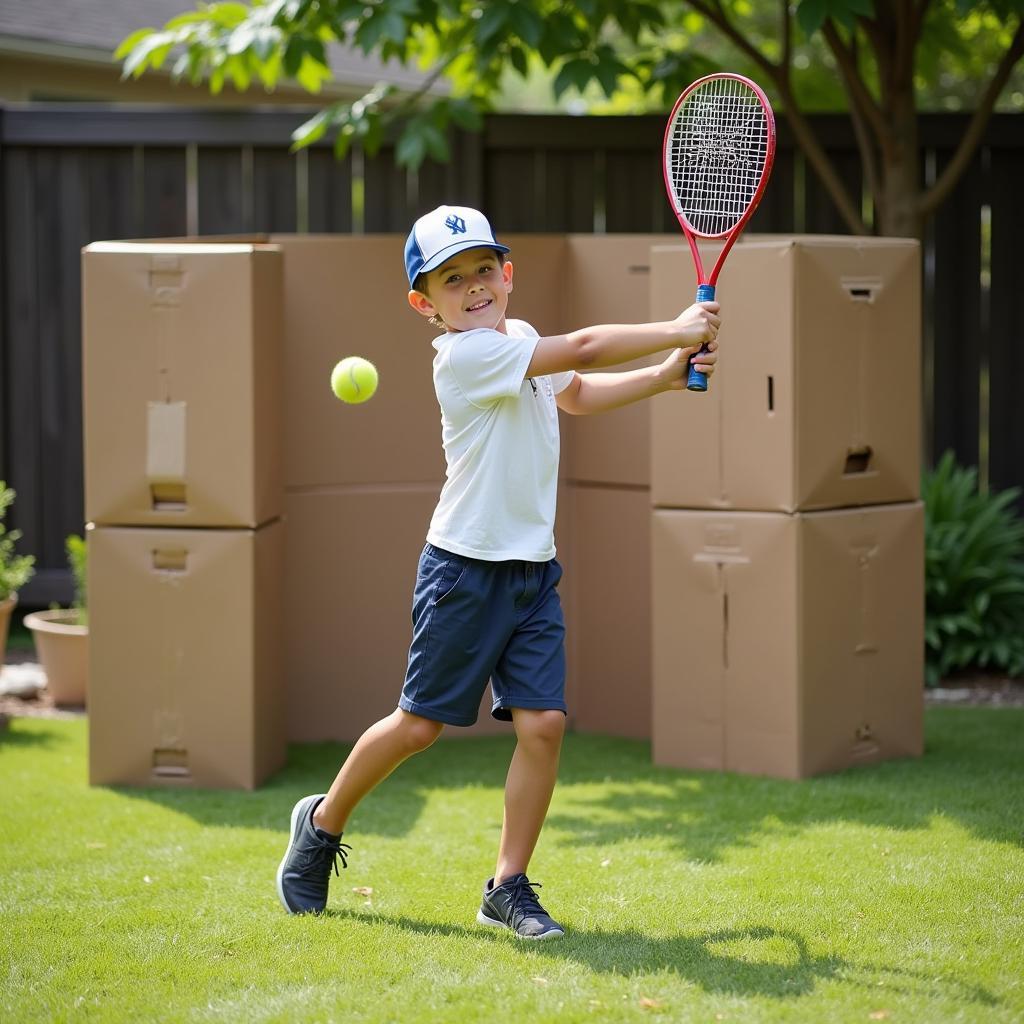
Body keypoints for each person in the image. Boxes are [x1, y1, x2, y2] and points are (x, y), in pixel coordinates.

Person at [277, 205, 720, 939]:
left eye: (484, 268)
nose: (473, 286)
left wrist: (665, 378)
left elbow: (575, 391)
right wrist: (676, 330)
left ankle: (507, 886)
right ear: (426, 304)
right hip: (462, 573)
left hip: (531, 573)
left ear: (507, 275)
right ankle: (320, 825)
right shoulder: (466, 357)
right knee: (419, 728)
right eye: (452, 279)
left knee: (543, 724)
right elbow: (582, 343)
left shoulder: (515, 339)